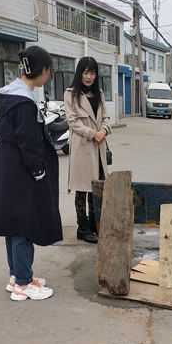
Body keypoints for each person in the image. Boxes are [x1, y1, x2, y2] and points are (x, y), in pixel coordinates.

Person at [0, 46, 62, 301]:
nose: (48, 76)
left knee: (13, 225)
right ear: (44, 70)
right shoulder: (24, 102)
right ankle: (24, 284)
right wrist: (38, 171)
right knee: (24, 226)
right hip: (23, 174)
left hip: (9, 171)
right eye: (49, 71)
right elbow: (29, 143)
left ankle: (17, 276)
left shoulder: (9, 97)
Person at [63, 56, 111, 244]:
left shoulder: (98, 93)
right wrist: (93, 133)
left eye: (92, 73)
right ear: (79, 73)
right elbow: (72, 121)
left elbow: (106, 117)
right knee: (82, 189)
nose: (89, 76)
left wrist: (104, 130)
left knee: (96, 188)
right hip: (83, 147)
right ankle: (82, 228)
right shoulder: (70, 94)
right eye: (85, 72)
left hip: (98, 147)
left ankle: (93, 225)